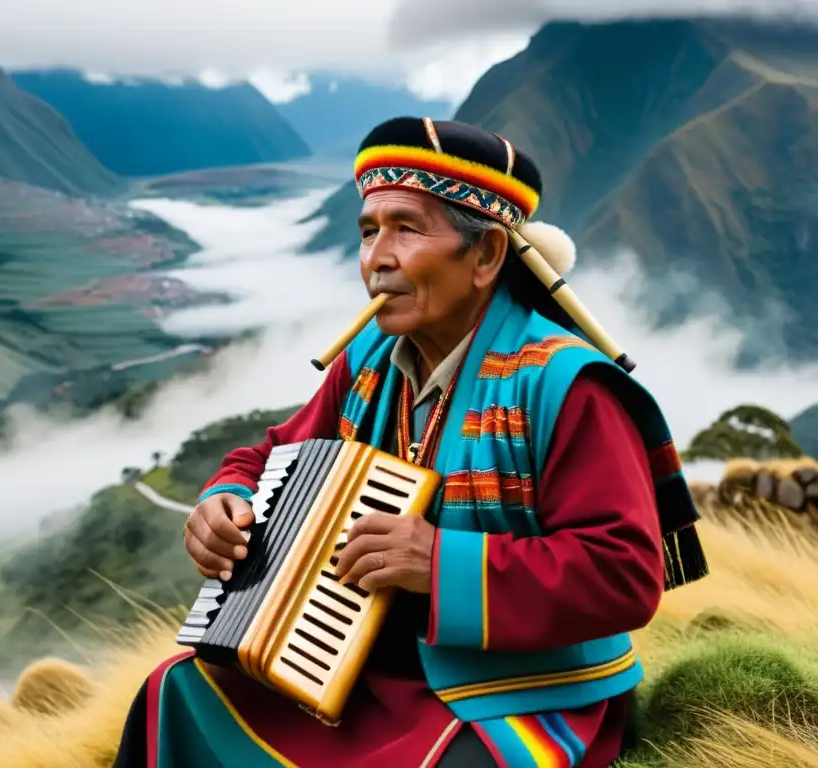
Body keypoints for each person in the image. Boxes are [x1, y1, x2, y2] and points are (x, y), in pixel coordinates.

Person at [113, 117, 708, 767]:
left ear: (485, 257)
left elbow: (624, 575)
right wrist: (223, 502)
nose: (377, 258)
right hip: (367, 663)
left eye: (406, 229)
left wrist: (440, 562)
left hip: (523, 692)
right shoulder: (365, 359)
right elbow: (268, 457)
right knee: (175, 690)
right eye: (369, 231)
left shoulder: (570, 387)